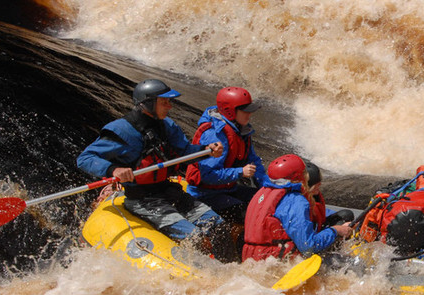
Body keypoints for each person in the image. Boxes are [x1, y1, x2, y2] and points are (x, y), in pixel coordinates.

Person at [77, 78, 224, 242]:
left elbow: (184, 152)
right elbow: (85, 158)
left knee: (217, 225)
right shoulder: (122, 130)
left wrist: (206, 150)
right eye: (164, 102)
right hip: (143, 200)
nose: (169, 106)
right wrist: (114, 170)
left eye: (169, 101)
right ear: (146, 104)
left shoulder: (167, 125)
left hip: (168, 191)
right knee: (194, 237)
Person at [242, 154, 352, 261]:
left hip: (252, 258)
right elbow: (308, 248)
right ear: (298, 176)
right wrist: (336, 230)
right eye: (304, 172)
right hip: (279, 259)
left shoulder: (263, 193)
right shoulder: (296, 201)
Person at [185, 87, 267, 222]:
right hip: (205, 195)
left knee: (265, 201)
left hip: (228, 189)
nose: (249, 115)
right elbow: (208, 175)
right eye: (245, 111)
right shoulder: (215, 135)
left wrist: (267, 187)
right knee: (247, 212)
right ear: (230, 111)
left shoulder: (242, 130)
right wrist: (240, 172)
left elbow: (254, 161)